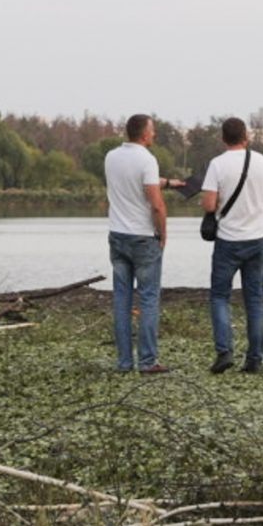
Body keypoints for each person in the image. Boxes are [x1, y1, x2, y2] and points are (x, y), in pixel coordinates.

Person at [200, 116, 263, 373]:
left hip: (228, 240)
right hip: (257, 239)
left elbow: (209, 205)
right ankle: (255, 359)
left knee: (220, 296)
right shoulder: (262, 161)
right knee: (254, 299)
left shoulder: (217, 164)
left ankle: (224, 352)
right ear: (246, 137)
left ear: (223, 138)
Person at [102, 113, 170, 373]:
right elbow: (156, 203)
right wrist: (163, 233)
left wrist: (169, 182)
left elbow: (128, 185)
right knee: (149, 298)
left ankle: (123, 362)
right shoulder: (147, 160)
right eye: (152, 130)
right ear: (143, 134)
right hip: (143, 237)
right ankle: (148, 361)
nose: (154, 134)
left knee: (121, 299)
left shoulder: (111, 157)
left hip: (117, 235)